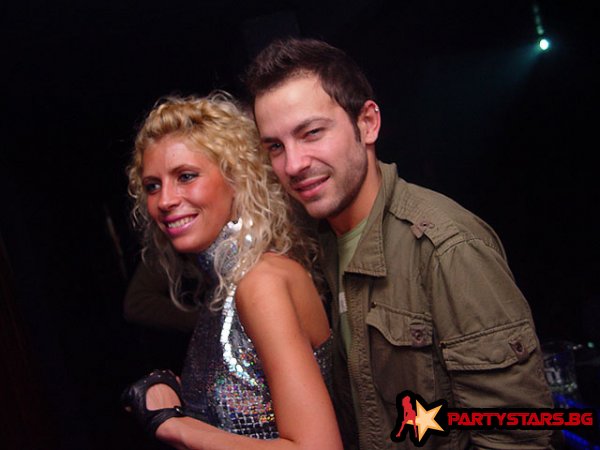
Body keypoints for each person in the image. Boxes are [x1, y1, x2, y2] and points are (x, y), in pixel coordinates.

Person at [244, 37, 555, 449]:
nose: (294, 164)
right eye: (276, 147)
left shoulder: (448, 248)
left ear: (367, 123)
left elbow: (518, 438)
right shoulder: (318, 245)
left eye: (312, 133)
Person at [121, 92, 343, 450]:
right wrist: (176, 391)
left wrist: (173, 426)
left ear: (237, 178)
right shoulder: (227, 285)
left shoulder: (260, 283)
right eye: (152, 186)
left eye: (186, 176)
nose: (165, 200)